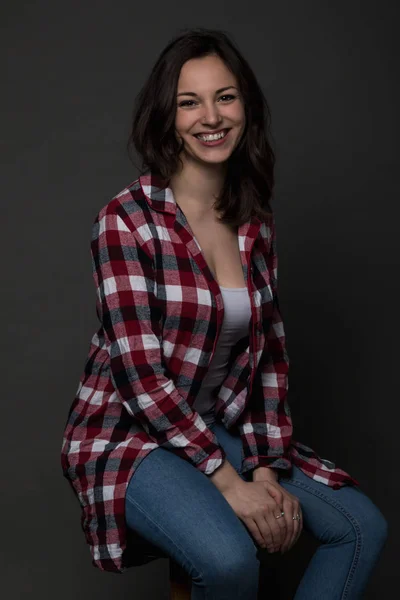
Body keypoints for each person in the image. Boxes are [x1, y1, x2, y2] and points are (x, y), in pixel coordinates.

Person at [61, 27, 388, 599]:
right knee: (231, 560)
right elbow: (141, 379)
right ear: (167, 116)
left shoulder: (253, 219)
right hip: (127, 436)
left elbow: (269, 359)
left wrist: (263, 468)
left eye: (225, 96)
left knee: (361, 527)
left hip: (215, 429)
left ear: (246, 106)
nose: (211, 117)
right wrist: (229, 482)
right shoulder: (126, 221)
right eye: (189, 102)